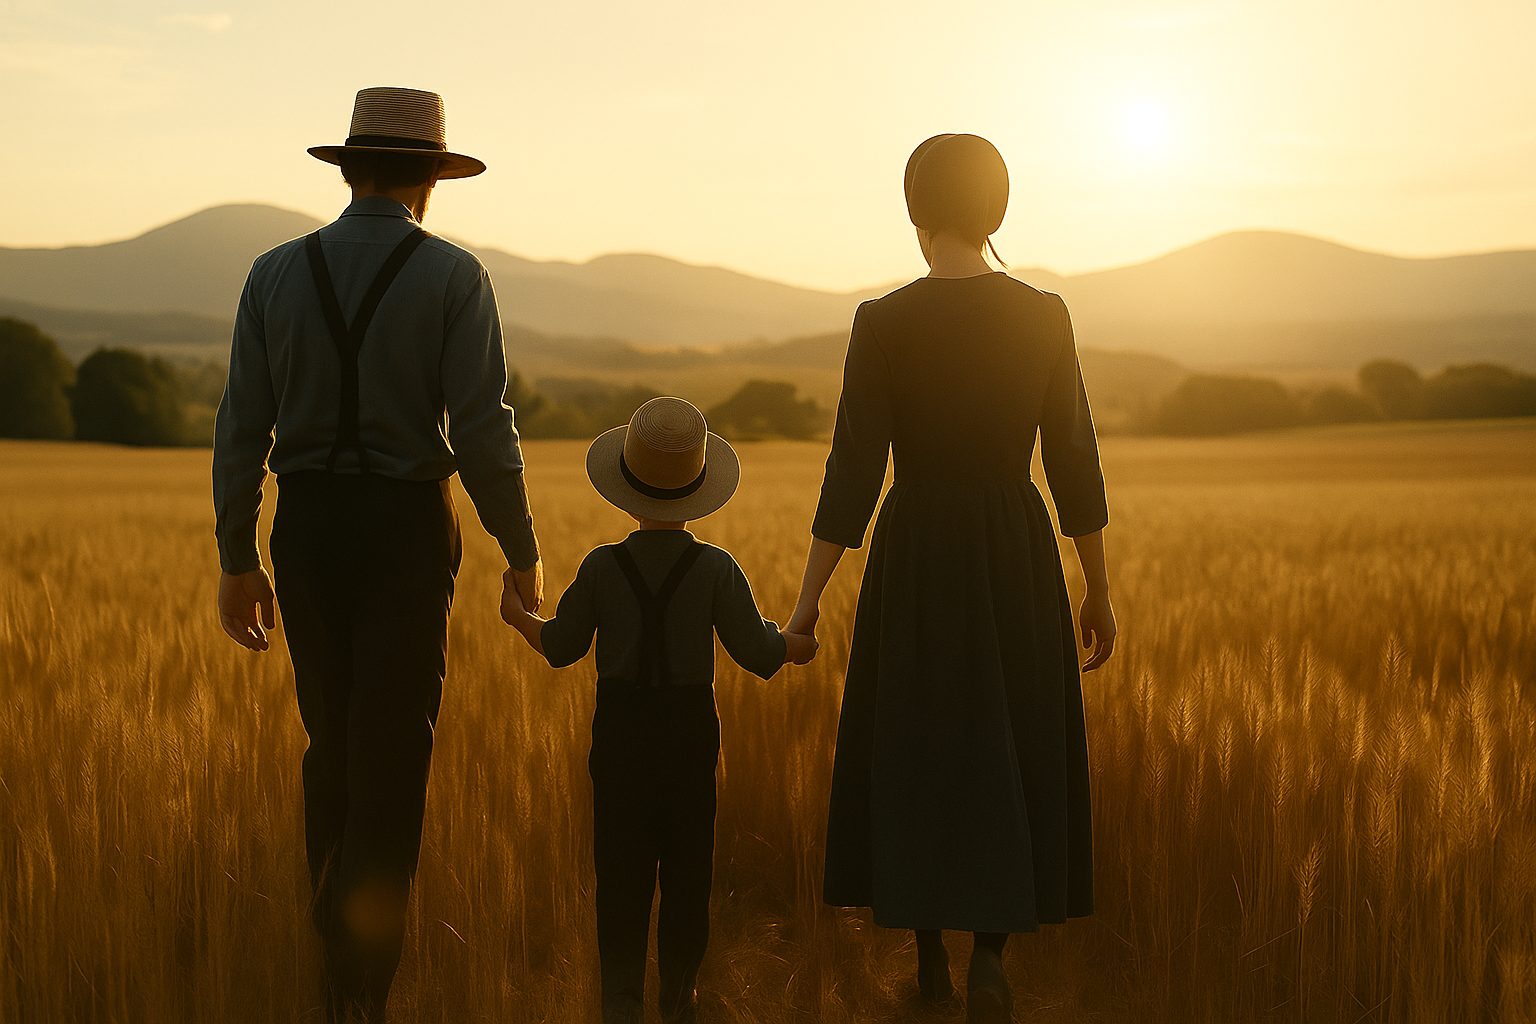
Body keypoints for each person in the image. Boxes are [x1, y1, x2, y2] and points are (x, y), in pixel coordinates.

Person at [211, 86, 543, 1022]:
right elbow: (483, 432)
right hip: (404, 532)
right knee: (394, 759)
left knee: (334, 750)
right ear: (431, 181)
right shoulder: (454, 278)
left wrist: (239, 555)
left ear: (351, 167)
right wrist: (520, 548)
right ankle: (366, 986)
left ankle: (331, 969)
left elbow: (240, 427)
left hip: (306, 528)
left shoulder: (273, 273)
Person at [783, 134, 1117, 1024]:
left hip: (919, 545)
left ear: (915, 212)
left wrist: (809, 600)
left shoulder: (882, 322)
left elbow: (853, 472)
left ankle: (928, 951)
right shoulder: (1046, 314)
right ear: (996, 211)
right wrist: (1098, 585)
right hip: (1015, 541)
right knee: (1009, 732)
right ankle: (992, 958)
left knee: (921, 736)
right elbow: (1073, 456)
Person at [501, 397, 818, 1024]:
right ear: (699, 489)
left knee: (619, 866)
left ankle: (621, 998)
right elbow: (758, 653)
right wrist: (797, 643)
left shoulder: (600, 567)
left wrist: (519, 618)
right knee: (687, 865)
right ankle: (680, 996)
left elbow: (562, 648)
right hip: (690, 733)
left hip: (618, 732)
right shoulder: (717, 569)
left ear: (626, 487)